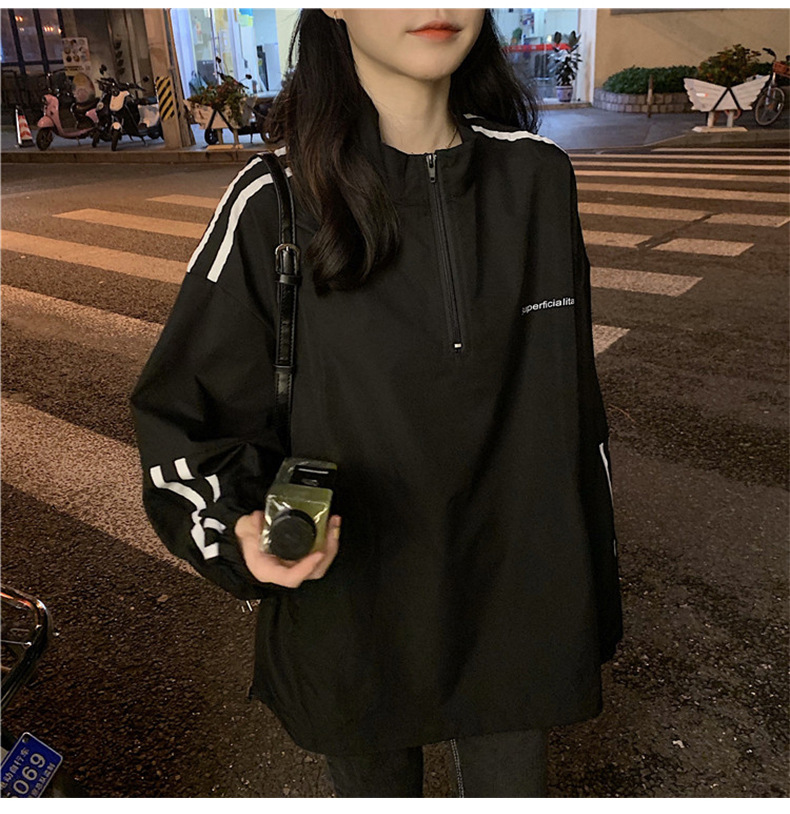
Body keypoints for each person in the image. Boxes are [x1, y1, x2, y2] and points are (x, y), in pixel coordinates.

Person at [130, 8, 623, 798]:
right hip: (353, 603)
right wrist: (237, 531)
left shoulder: (537, 176)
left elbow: (572, 411)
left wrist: (587, 570)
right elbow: (185, 415)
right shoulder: (274, 199)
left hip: (518, 592)